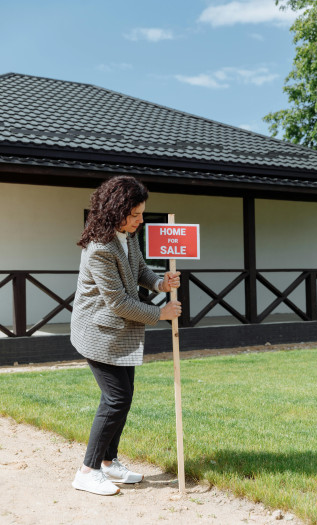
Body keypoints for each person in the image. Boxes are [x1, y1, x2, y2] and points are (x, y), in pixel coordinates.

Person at [70, 175, 181, 496]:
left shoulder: (127, 234)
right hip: (98, 331)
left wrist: (160, 284)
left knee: (124, 397)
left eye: (141, 213)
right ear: (115, 211)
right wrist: (160, 313)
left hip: (118, 330)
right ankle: (87, 471)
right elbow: (118, 301)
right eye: (134, 215)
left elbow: (140, 269)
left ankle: (108, 463)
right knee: (115, 399)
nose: (140, 220)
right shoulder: (99, 249)